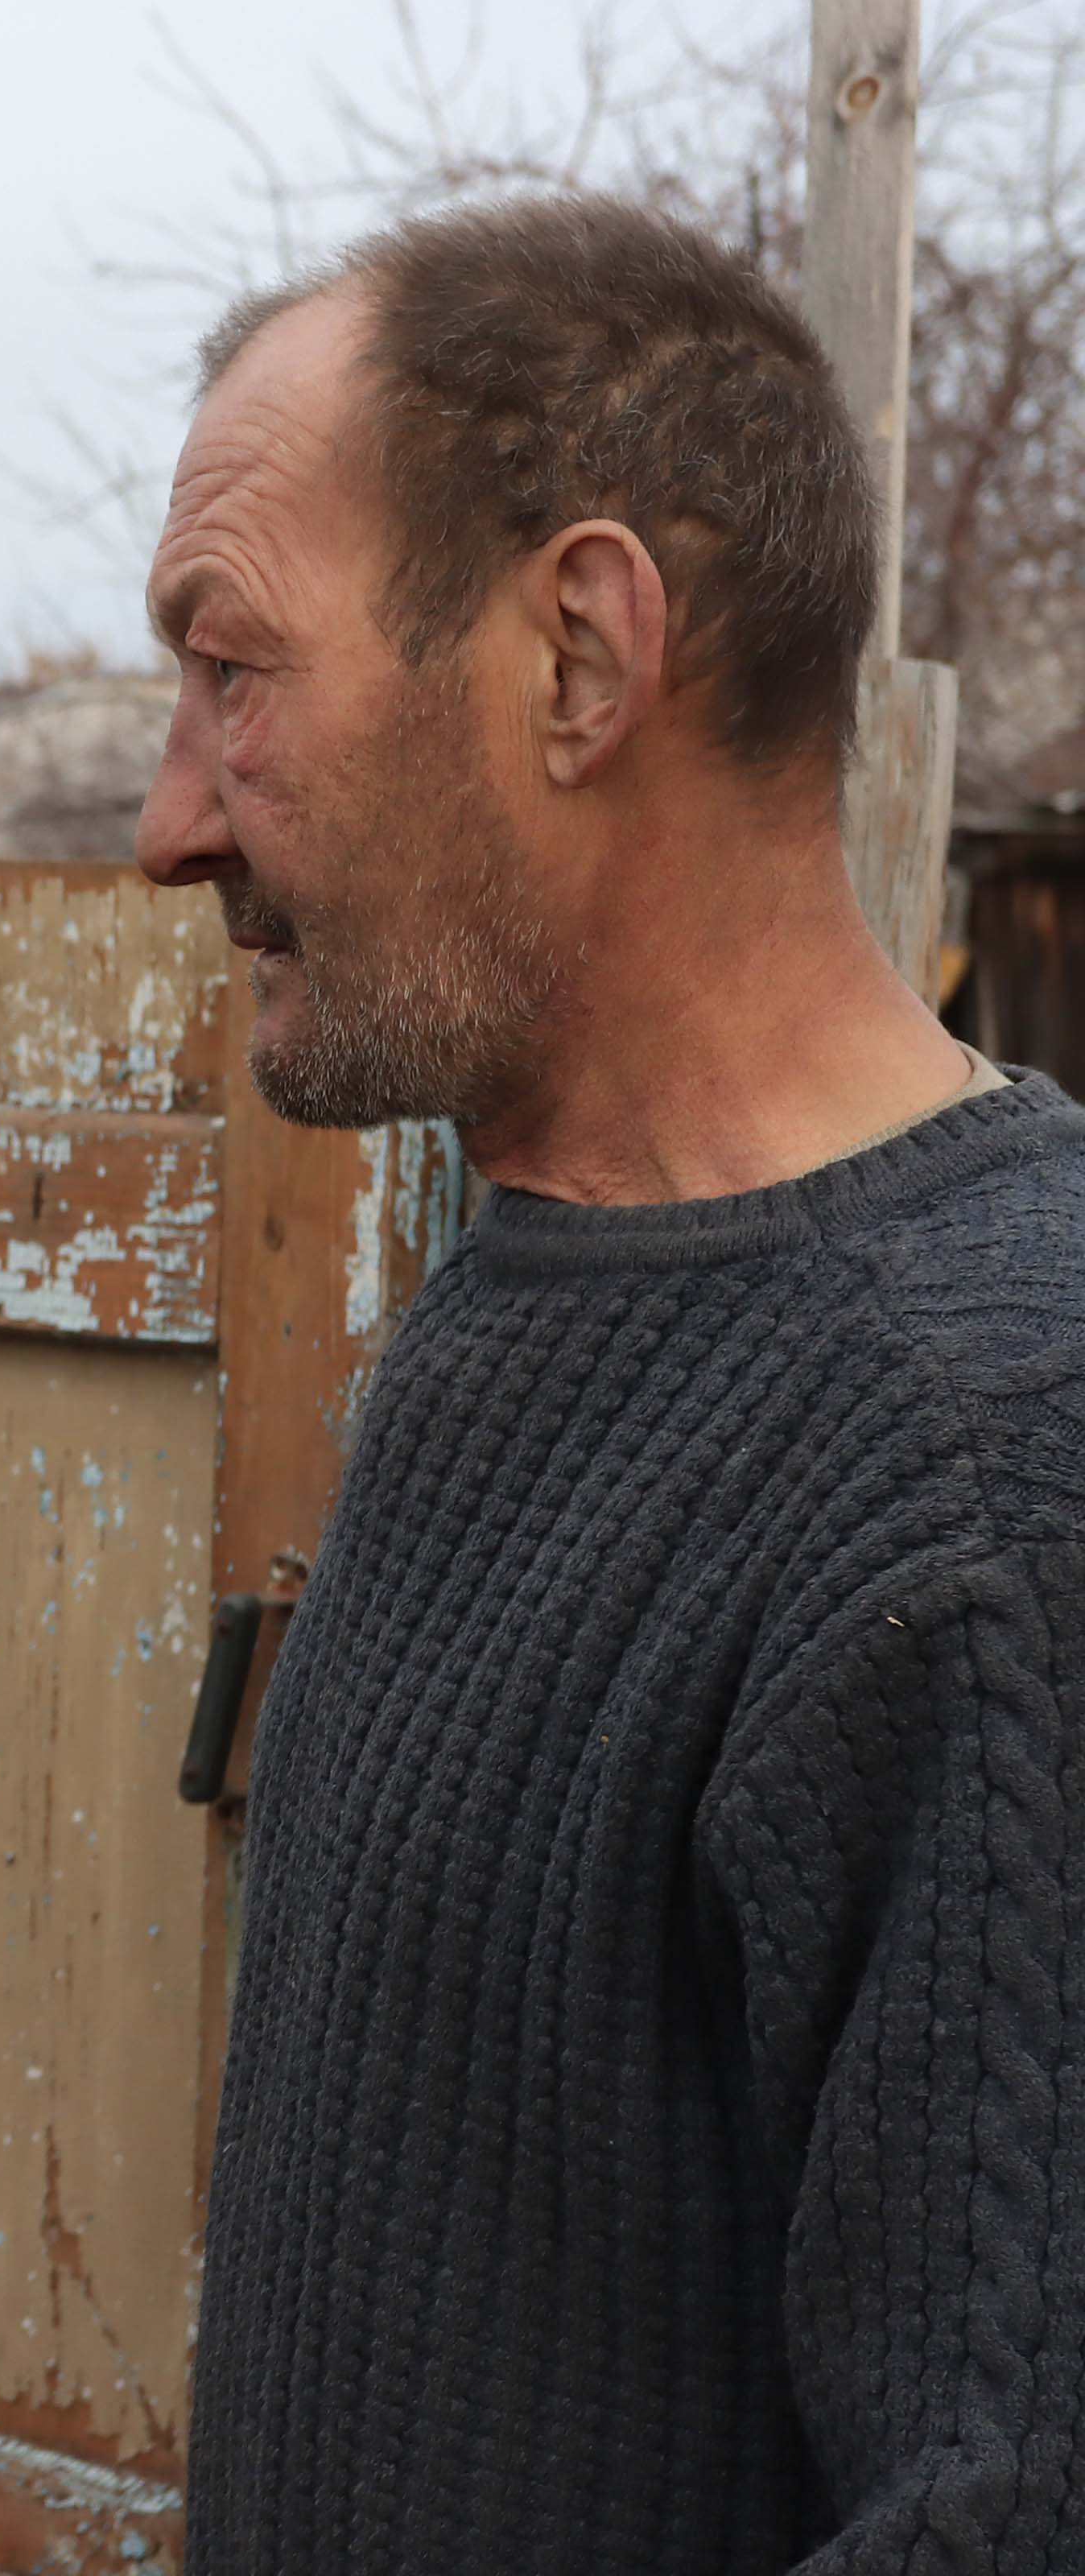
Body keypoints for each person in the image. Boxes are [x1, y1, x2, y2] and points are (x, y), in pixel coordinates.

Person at [140, 194, 1085, 2569]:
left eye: (235, 671)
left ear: (577, 653)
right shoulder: (534, 1286)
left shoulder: (994, 1449)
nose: (169, 820)